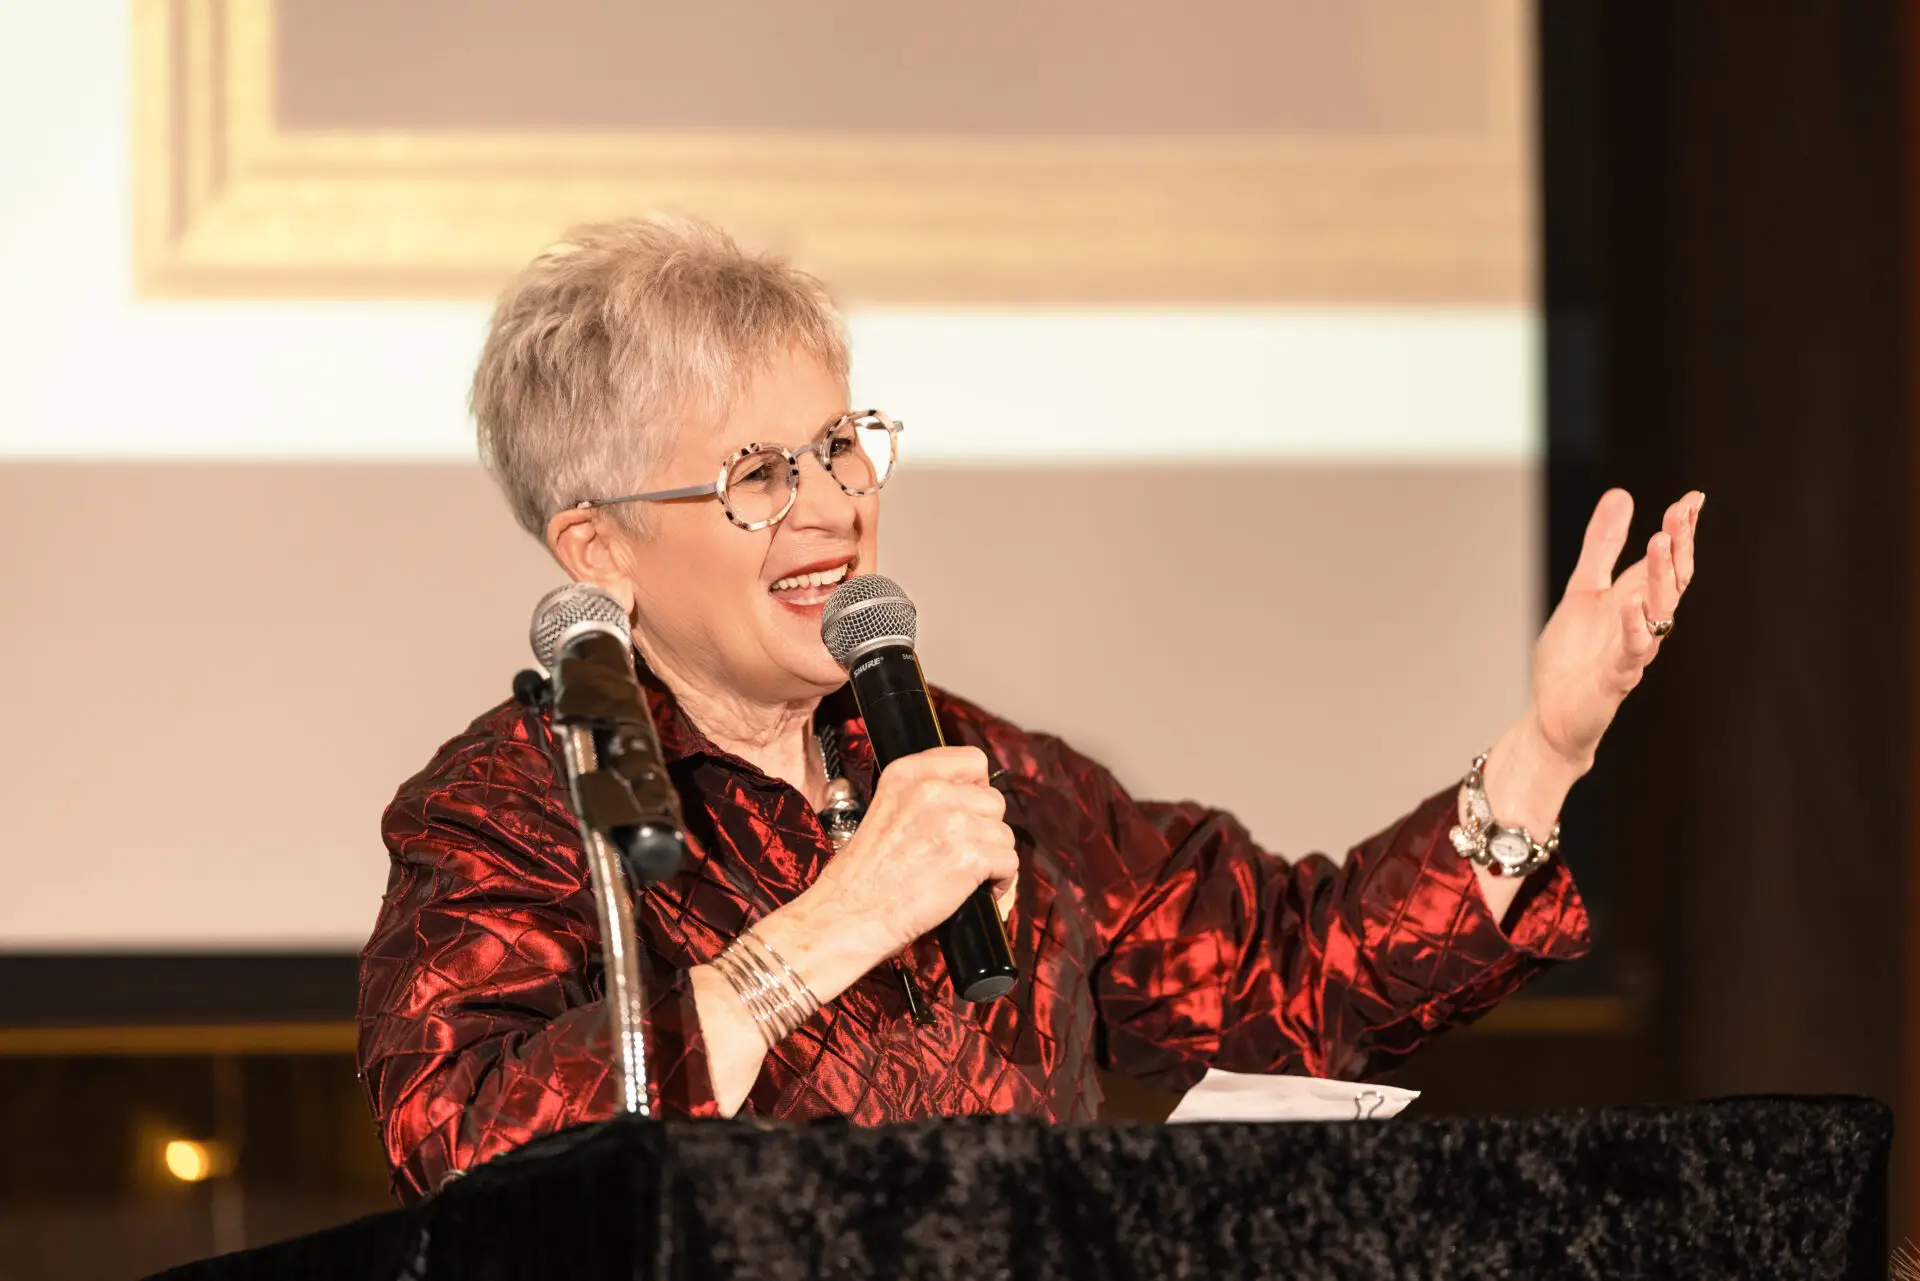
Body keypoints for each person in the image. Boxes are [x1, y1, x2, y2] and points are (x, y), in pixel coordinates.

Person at [356, 215, 1704, 1201]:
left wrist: (1546, 751)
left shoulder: (964, 759)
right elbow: (466, 1151)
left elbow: (1295, 980)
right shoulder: (515, 808)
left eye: (838, 446)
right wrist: (833, 928)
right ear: (597, 548)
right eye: (758, 476)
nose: (833, 508)